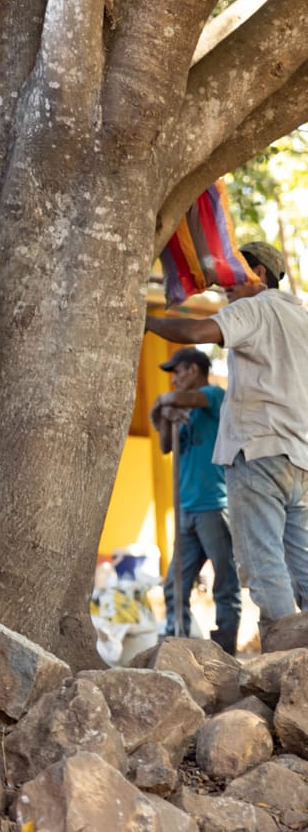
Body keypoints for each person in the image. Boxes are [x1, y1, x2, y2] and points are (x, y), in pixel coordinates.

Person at [145, 240, 308, 639]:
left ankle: (286, 659)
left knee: (263, 563)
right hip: (299, 457)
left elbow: (198, 330)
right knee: (302, 565)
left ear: (262, 276)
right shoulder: (301, 318)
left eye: (236, 276)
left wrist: (144, 321)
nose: (225, 285)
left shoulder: (254, 307)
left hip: (258, 453)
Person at [149, 346, 241, 654]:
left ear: (193, 370)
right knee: (174, 585)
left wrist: (163, 402)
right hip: (186, 508)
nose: (173, 381)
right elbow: (165, 446)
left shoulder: (213, 396)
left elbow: (183, 398)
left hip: (214, 505)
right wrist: (165, 418)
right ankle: (181, 648)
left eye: (177, 373)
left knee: (225, 584)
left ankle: (225, 650)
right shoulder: (183, 411)